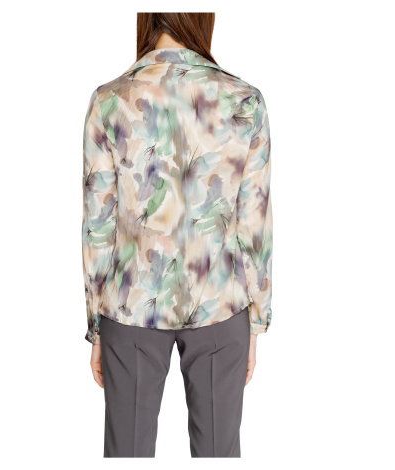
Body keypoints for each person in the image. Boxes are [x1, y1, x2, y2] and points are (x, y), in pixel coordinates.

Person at [81, 12, 273, 458]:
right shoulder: (244, 101)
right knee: (218, 456)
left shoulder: (109, 101)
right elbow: (255, 224)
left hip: (131, 308)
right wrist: (256, 320)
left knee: (126, 454)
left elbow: (97, 226)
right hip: (221, 304)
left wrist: (96, 328)